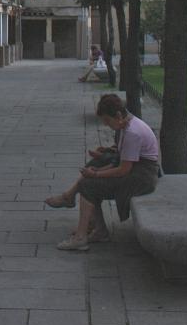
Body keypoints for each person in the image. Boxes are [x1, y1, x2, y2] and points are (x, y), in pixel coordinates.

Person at [45, 93, 159, 251]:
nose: (106, 125)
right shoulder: (126, 124)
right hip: (137, 169)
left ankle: (80, 237)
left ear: (118, 115)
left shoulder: (132, 132)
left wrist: (96, 174)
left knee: (88, 184)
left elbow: (123, 169)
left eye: (107, 120)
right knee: (93, 170)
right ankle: (96, 228)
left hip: (142, 177)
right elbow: (121, 159)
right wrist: (97, 168)